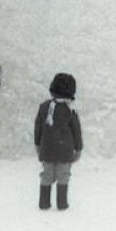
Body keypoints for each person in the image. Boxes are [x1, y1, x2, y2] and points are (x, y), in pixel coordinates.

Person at [34, 72, 83, 211]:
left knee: (46, 175)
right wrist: (78, 148)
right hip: (65, 151)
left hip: (47, 149)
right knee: (63, 176)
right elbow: (76, 131)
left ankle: (44, 202)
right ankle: (62, 203)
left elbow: (38, 127)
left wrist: (38, 144)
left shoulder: (44, 107)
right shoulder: (70, 110)